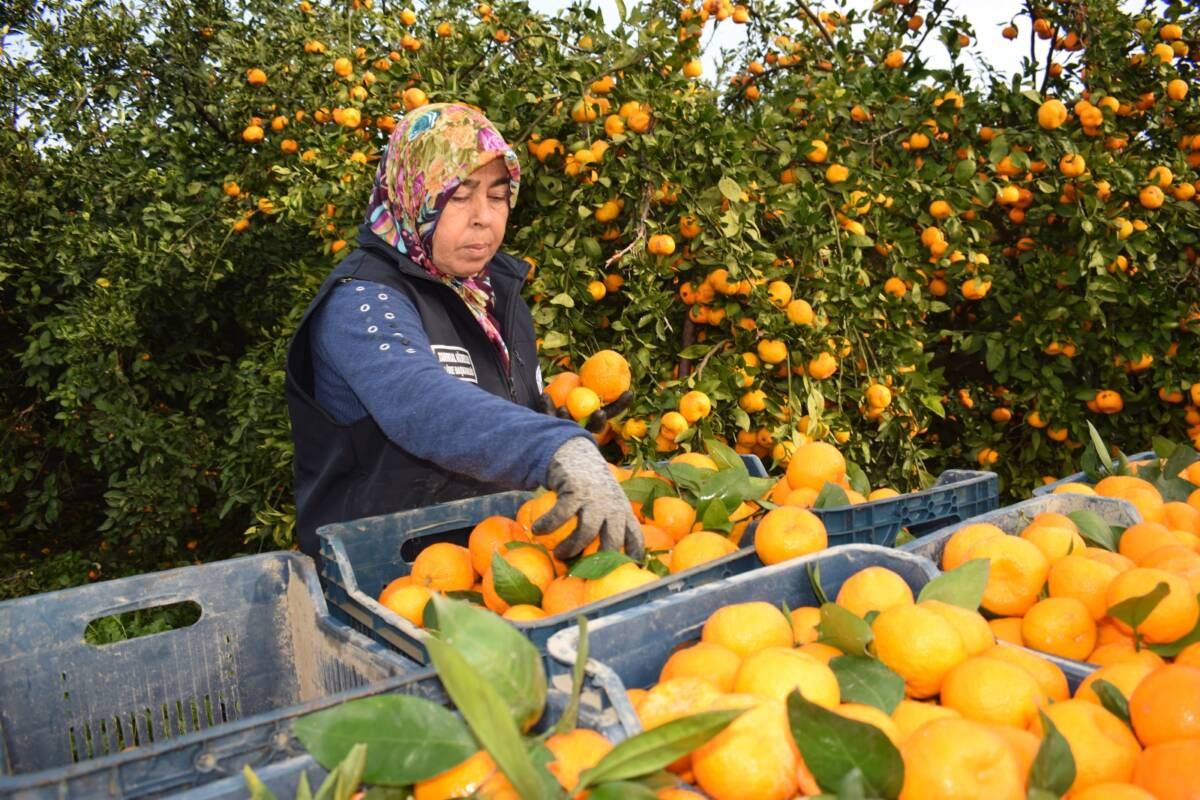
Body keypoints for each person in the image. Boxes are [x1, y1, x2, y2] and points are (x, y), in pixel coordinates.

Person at [285, 103, 643, 566]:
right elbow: (419, 400)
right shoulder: (361, 300)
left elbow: (494, 416)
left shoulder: (492, 296)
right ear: (413, 195)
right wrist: (551, 446)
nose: (483, 217)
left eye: (497, 196)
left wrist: (564, 424)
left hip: (495, 568)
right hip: (386, 585)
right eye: (459, 196)